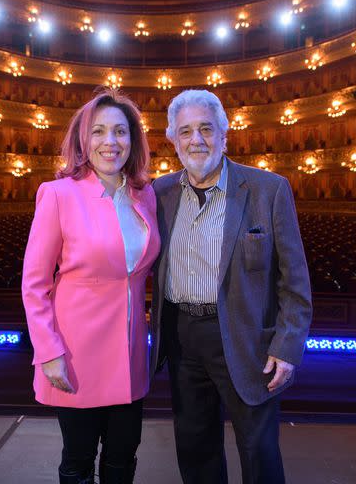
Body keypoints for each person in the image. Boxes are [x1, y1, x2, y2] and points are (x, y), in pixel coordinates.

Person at [150, 89, 312, 484]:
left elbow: (294, 279)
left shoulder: (268, 190)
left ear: (225, 134)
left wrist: (287, 346)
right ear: (172, 139)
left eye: (206, 128)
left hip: (246, 338)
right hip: (183, 335)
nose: (196, 140)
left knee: (258, 451)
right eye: (185, 131)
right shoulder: (159, 192)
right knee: (195, 447)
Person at [22, 89, 160, 484]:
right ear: (83, 139)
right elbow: (34, 284)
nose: (110, 142)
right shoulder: (58, 194)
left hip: (130, 352)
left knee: (123, 457)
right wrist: (48, 351)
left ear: (132, 140)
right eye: (98, 131)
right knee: (79, 459)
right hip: (76, 352)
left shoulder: (144, 194)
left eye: (120, 131)